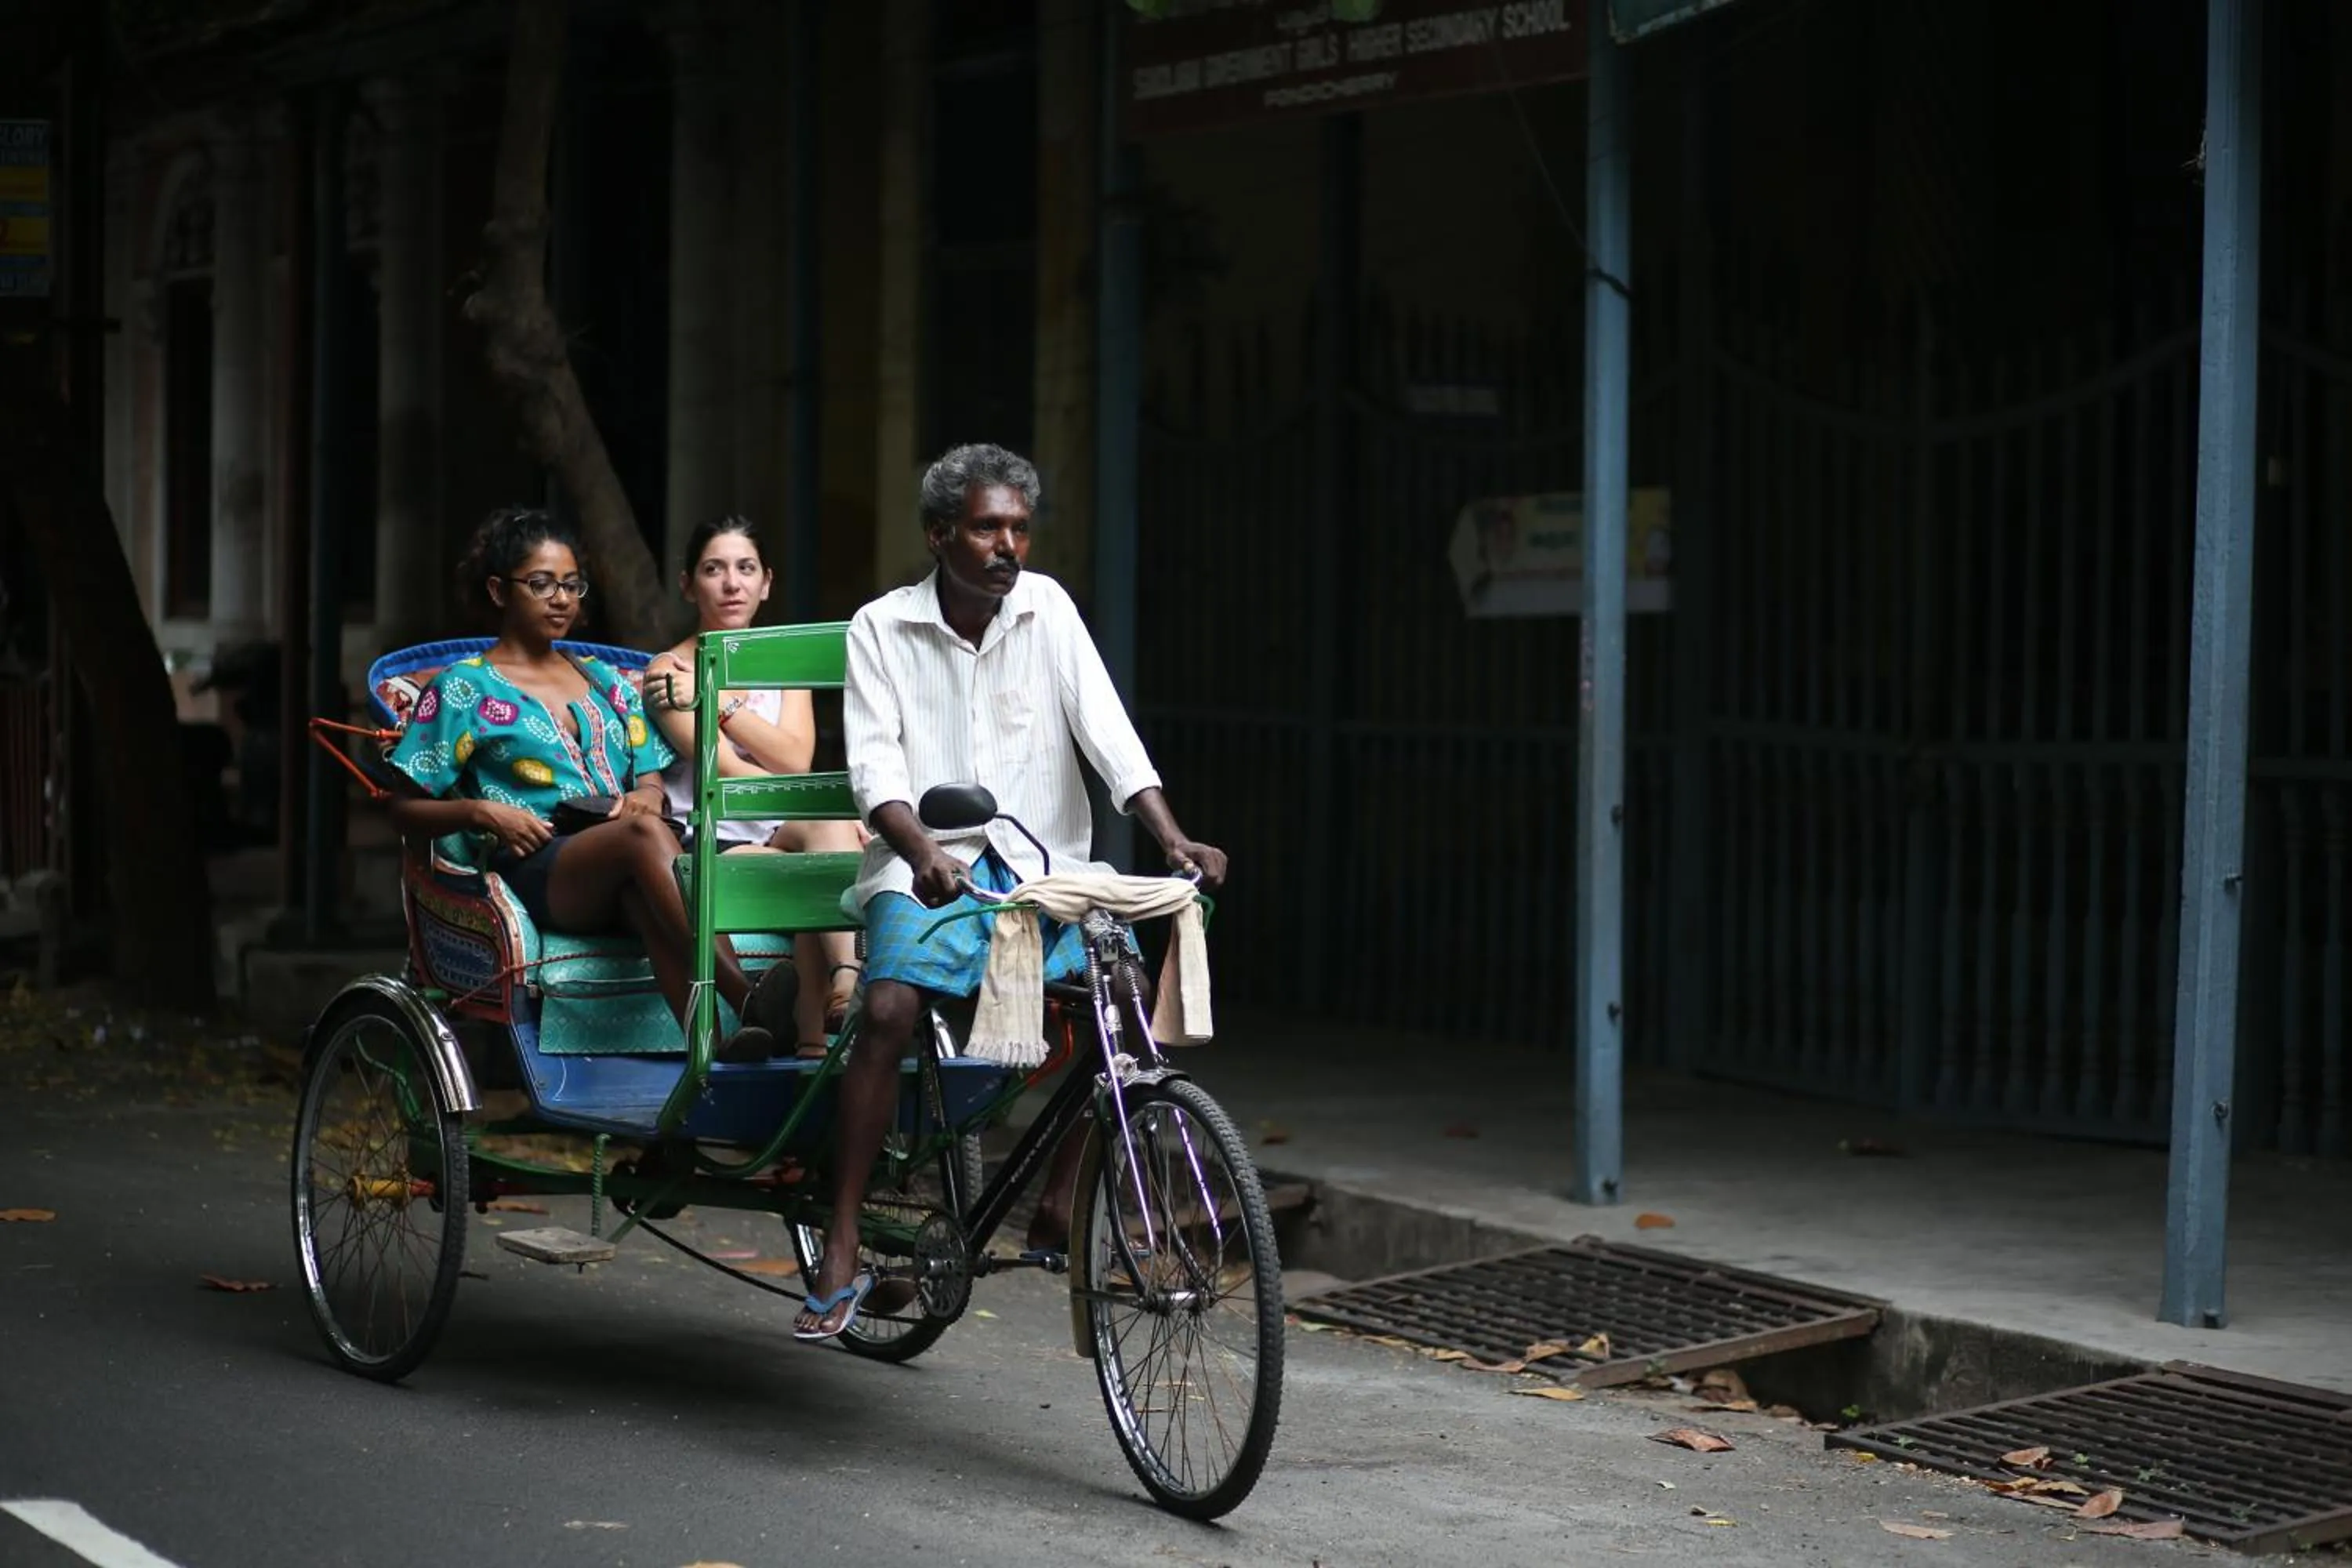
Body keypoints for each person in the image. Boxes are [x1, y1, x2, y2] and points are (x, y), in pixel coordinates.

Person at [800, 443, 1229, 1342]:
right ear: (938, 533)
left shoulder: (1049, 609)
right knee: (887, 1006)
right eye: (988, 528)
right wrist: (921, 848)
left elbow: (1109, 734)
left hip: (1041, 866)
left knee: (1122, 994)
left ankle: (1062, 1197)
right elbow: (874, 767)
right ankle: (841, 1233)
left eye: (1020, 529)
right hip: (926, 861)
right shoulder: (882, 627)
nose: (1008, 546)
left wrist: (1173, 836)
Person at [383, 506, 779, 1062]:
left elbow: (649, 777)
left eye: (572, 585)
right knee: (644, 839)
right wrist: (483, 813)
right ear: (498, 591)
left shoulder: (603, 678)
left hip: (618, 859)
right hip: (537, 864)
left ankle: (711, 1056)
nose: (562, 599)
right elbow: (401, 809)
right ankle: (747, 996)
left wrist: (646, 795)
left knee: (644, 888)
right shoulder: (462, 688)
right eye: (541, 584)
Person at [644, 517, 868, 1057]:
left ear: (766, 583)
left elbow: (795, 759)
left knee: (827, 828)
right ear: (688, 585)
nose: (732, 584)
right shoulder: (668, 670)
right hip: (714, 839)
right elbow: (725, 770)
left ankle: (842, 991)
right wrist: (815, 798)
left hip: (781, 829)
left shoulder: (784, 667)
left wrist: (718, 700)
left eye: (746, 569)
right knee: (826, 843)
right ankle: (817, 1034)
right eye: (713, 569)